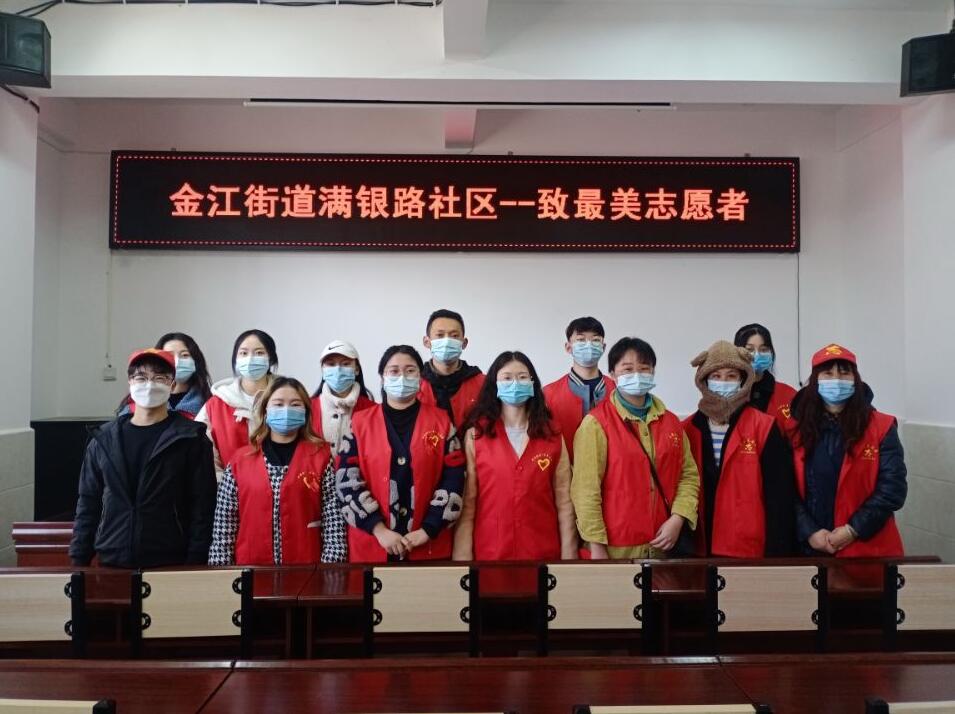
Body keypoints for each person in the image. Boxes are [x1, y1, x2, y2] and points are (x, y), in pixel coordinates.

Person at [70, 348, 217, 568]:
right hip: (112, 556)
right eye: (141, 377)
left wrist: (195, 561)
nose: (149, 385)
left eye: (159, 378)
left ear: (172, 385)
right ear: (130, 382)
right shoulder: (104, 440)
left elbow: (203, 507)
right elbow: (88, 503)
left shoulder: (191, 439)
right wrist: (78, 560)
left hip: (170, 559)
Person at [571, 337, 699, 559]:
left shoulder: (671, 422)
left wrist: (678, 518)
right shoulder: (596, 424)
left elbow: (688, 476)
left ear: (653, 372)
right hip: (615, 549)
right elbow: (585, 490)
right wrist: (596, 546)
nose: (637, 375)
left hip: (663, 548)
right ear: (612, 374)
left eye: (644, 368)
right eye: (627, 369)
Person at [336, 345, 466, 562]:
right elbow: (346, 482)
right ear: (382, 377)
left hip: (428, 544)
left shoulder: (441, 421)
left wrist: (428, 529)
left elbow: (455, 477)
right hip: (374, 545)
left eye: (410, 370)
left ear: (420, 377)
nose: (402, 377)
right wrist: (379, 530)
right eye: (394, 371)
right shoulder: (359, 423)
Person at [453, 351, 577, 561]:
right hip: (490, 553)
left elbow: (565, 502)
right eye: (507, 378)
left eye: (522, 377)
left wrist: (569, 557)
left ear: (532, 382)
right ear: (494, 384)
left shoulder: (552, 434)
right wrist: (462, 559)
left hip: (543, 552)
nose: (515, 383)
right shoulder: (476, 435)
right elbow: (468, 505)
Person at [209, 377, 346, 566]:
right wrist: (222, 574)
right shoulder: (240, 461)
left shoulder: (321, 458)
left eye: (295, 404)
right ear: (265, 410)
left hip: (307, 570)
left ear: (306, 412)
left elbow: (334, 525)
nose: (286, 410)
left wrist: (329, 571)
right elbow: (224, 528)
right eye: (278, 404)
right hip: (250, 569)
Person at [682, 340, 796, 558]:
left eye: (731, 376)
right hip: (698, 549)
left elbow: (779, 498)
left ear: (743, 380)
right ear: (704, 380)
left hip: (747, 548)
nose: (723, 382)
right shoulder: (686, 429)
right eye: (716, 376)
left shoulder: (764, 426)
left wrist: (777, 555)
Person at [790, 344, 906, 557]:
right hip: (810, 547)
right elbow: (785, 489)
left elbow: (893, 488)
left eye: (844, 372)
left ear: (855, 379)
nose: (836, 380)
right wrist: (809, 531)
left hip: (866, 547)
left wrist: (853, 530)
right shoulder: (794, 429)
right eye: (828, 373)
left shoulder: (882, 427)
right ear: (815, 381)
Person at [196, 329, 277, 480]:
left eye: (259, 353)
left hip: (281, 488)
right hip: (228, 488)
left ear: (271, 358)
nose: (250, 359)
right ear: (236, 359)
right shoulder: (216, 404)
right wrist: (226, 485)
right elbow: (203, 453)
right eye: (243, 353)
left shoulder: (288, 398)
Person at [543, 316, 616, 462]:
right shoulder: (548, 394)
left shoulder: (618, 391)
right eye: (581, 340)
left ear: (603, 347)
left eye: (595, 340)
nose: (588, 345)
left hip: (612, 471)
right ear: (568, 347)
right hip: (566, 471)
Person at [118, 332, 212, 419]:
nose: (177, 361)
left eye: (185, 355)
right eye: (170, 355)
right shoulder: (134, 407)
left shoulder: (209, 405)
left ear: (196, 360)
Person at [417, 309, 485, 431]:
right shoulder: (414, 383)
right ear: (427, 342)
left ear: (464, 343)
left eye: (454, 336)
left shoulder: (482, 383)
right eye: (440, 335)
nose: (447, 341)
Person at [310, 339, 376, 459]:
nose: (338, 370)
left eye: (345, 364)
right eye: (331, 364)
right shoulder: (307, 409)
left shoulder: (373, 410)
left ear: (357, 369)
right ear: (323, 370)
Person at [734, 323, 798, 432]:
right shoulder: (728, 392)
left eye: (763, 349)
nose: (757, 355)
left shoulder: (788, 394)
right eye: (749, 349)